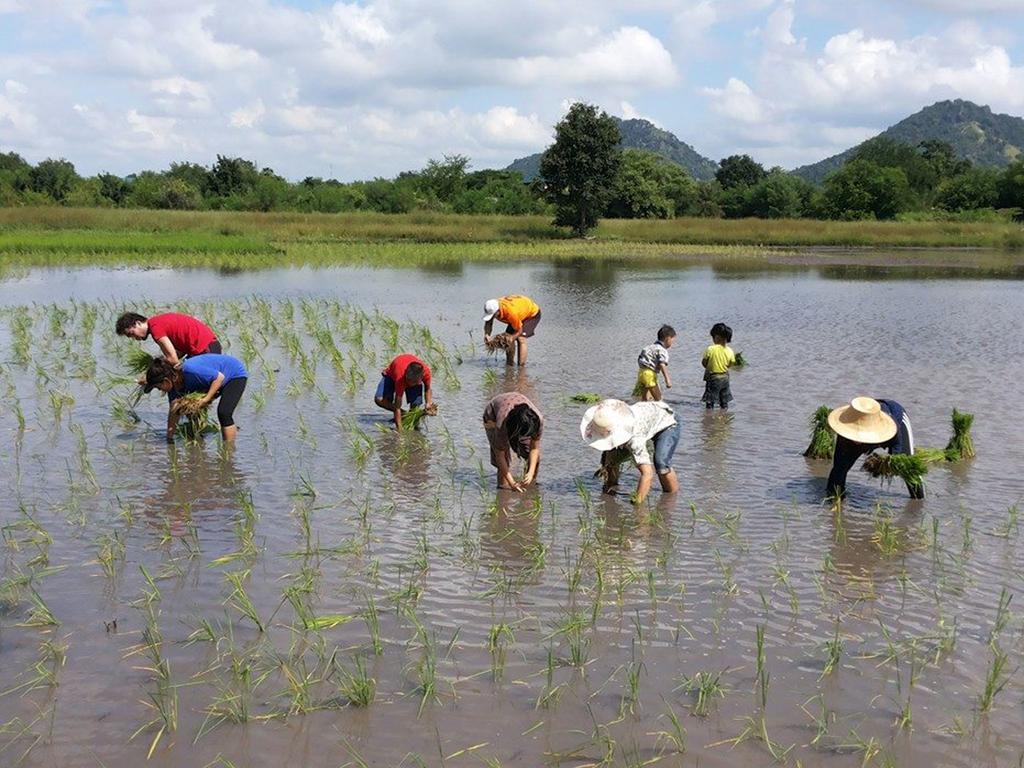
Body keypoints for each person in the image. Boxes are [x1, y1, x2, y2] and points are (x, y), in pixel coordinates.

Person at [581, 398, 680, 506]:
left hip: (667, 422)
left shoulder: (635, 441)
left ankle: (670, 499)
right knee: (611, 459)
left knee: (661, 464)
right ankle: (609, 490)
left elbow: (647, 474)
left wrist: (637, 504)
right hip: (647, 417)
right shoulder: (607, 414)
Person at [825, 396, 925, 500]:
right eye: (854, 434)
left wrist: (889, 463)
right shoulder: (844, 434)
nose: (857, 441)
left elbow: (897, 446)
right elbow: (838, 469)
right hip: (864, 427)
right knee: (840, 468)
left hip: (895, 419)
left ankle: (919, 501)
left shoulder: (892, 427)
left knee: (908, 467)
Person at [143, 354, 247, 443]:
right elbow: (174, 412)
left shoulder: (189, 369)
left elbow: (219, 377)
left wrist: (206, 399)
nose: (160, 390)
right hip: (212, 381)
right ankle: (200, 439)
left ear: (166, 381)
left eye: (158, 387)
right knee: (190, 410)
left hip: (234, 374)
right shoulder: (173, 388)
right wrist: (169, 438)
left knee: (224, 412)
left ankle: (229, 451)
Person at [483, 392, 543, 491]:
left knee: (534, 458)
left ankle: (529, 486)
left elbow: (534, 448)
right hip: (492, 417)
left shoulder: (537, 420)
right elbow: (500, 455)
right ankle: (503, 491)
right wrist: (512, 483)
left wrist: (530, 473)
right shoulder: (501, 424)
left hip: (520, 422)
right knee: (504, 460)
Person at [116, 311, 221, 365]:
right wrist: (161, 360)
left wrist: (150, 374)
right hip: (208, 348)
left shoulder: (156, 329)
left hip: (207, 350)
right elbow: (178, 352)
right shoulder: (156, 323)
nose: (135, 338)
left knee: (182, 385)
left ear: (138, 323)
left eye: (132, 333)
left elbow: (173, 360)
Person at [375, 354, 435, 429]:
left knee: (415, 407)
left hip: (413, 378)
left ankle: (411, 423)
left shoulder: (426, 373)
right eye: (408, 380)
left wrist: (428, 403)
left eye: (413, 382)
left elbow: (427, 388)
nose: (409, 383)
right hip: (392, 375)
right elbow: (397, 407)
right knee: (379, 399)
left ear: (421, 377)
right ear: (406, 373)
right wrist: (400, 431)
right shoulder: (400, 377)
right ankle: (404, 414)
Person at [483, 295, 541, 366]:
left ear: (498, 311)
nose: (491, 317)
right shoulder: (493, 306)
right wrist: (487, 335)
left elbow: (519, 330)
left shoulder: (510, 312)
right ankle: (510, 364)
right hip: (519, 312)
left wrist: (512, 338)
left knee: (520, 338)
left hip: (531, 314)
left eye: (493, 315)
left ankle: (521, 368)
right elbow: (488, 323)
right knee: (508, 338)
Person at [634, 324, 675, 401]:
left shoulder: (649, 347)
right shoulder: (662, 350)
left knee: (645, 399)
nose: (672, 344)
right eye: (672, 341)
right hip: (649, 374)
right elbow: (662, 364)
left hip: (641, 373)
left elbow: (640, 358)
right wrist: (667, 380)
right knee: (659, 399)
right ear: (668, 339)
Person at [701, 322, 736, 410]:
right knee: (724, 399)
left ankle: (709, 417)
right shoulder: (730, 350)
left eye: (713, 337)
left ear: (717, 337)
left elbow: (704, 362)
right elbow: (731, 363)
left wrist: (708, 366)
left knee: (710, 400)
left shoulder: (710, 349)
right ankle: (724, 413)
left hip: (713, 378)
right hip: (725, 377)